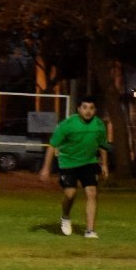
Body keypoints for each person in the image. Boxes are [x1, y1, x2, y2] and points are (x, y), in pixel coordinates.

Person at [40, 97, 110, 238]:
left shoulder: (99, 125)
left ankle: (90, 230)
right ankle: (65, 216)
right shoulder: (67, 125)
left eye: (91, 108)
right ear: (78, 109)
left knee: (92, 192)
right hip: (68, 163)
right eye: (85, 107)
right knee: (70, 194)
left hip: (89, 162)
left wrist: (104, 164)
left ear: (95, 110)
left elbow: (102, 145)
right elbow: (52, 145)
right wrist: (46, 168)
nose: (88, 111)